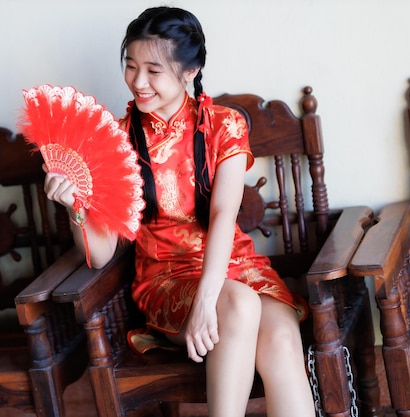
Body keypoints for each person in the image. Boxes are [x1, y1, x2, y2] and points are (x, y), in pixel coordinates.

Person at [43, 6, 315, 417]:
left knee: (278, 337)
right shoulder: (115, 141)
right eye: (131, 66)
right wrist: (74, 207)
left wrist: (208, 300)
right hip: (167, 279)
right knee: (239, 305)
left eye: (153, 70)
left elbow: (224, 215)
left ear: (190, 71)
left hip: (238, 266)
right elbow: (99, 255)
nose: (137, 81)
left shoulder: (224, 125)